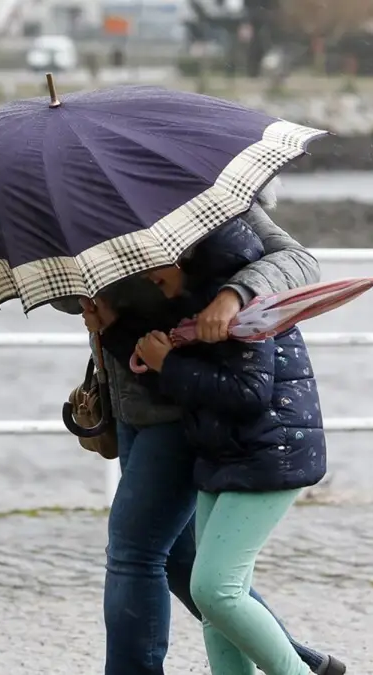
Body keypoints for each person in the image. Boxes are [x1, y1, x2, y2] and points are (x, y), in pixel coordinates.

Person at [53, 197, 346, 675]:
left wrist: (233, 294)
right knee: (184, 562)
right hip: (133, 389)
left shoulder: (204, 196)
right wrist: (95, 299)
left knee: (136, 551)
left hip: (186, 400)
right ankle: (303, 660)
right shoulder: (78, 191)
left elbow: (295, 261)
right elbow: (63, 287)